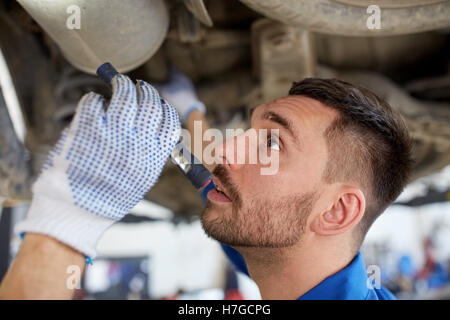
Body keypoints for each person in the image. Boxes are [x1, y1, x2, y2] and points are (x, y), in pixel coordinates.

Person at [0, 68, 413, 300]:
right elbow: (213, 180)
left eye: (271, 143)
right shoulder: (276, 249)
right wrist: (190, 112)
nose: (229, 149)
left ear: (337, 211)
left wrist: (69, 222)